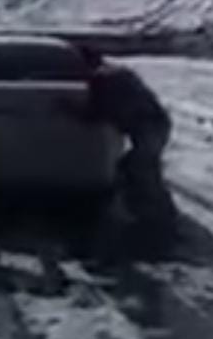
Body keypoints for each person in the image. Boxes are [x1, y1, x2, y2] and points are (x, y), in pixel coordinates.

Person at [77, 45, 180, 245]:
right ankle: (152, 217)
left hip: (148, 127)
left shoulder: (101, 81)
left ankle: (160, 222)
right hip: (157, 122)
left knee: (142, 170)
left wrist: (67, 109)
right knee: (136, 169)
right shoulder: (118, 74)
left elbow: (94, 114)